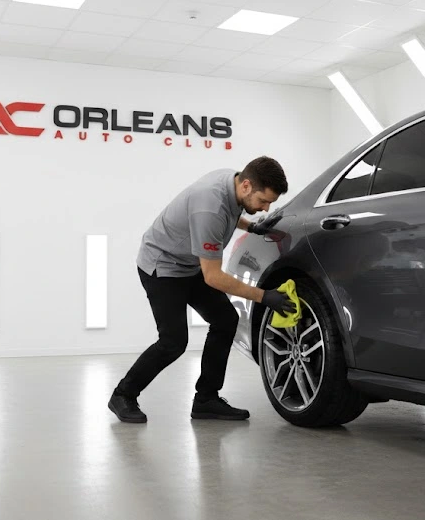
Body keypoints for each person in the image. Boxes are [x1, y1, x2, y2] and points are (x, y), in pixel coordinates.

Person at [109, 156, 298, 423]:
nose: (266, 208)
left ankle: (206, 399)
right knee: (173, 342)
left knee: (225, 320)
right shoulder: (209, 206)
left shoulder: (230, 181)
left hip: (188, 263)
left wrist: (252, 226)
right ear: (246, 185)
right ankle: (122, 395)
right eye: (263, 201)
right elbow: (213, 276)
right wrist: (264, 297)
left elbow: (228, 216)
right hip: (162, 267)